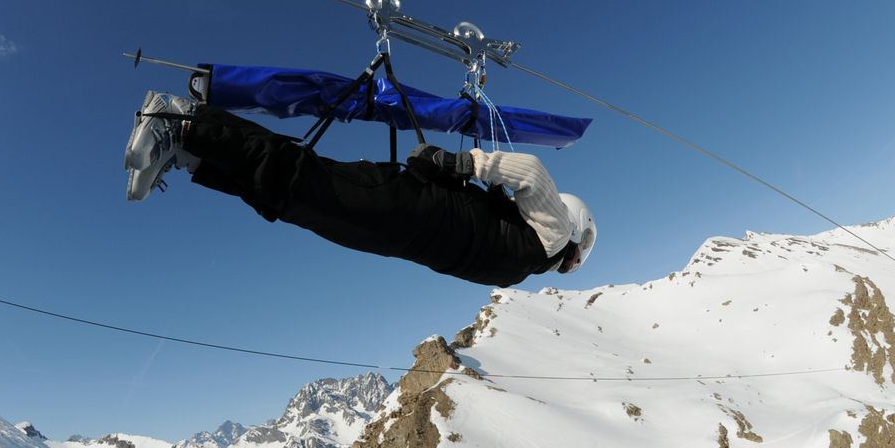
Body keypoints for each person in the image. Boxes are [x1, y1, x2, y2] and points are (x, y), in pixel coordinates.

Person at [124, 91, 596, 287]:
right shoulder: (551, 234)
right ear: (575, 229)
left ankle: (194, 156)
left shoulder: (526, 262)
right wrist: (459, 162)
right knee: (304, 182)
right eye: (583, 251)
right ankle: (181, 120)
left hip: (407, 235)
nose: (576, 263)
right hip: (413, 211)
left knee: (293, 204)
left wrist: (456, 176)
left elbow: (483, 219)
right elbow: (531, 171)